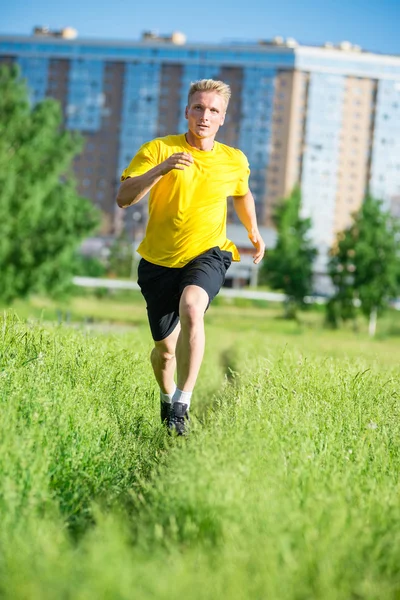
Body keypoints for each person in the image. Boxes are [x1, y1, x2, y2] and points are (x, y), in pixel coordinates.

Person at [116, 79, 265, 435]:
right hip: (158, 261)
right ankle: (167, 400)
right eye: (198, 107)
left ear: (222, 118)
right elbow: (123, 197)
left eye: (213, 110)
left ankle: (183, 402)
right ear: (186, 112)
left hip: (208, 252)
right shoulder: (158, 148)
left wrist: (253, 230)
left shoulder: (233, 159)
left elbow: (242, 194)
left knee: (192, 306)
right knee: (165, 351)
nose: (204, 115)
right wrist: (160, 170)